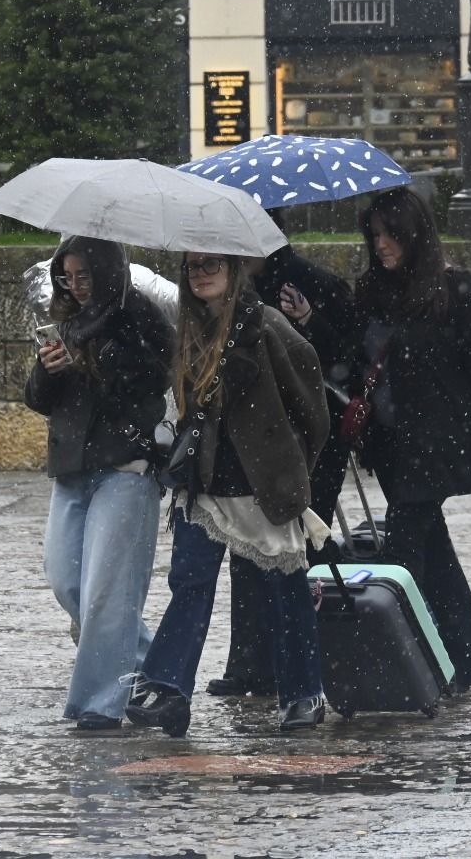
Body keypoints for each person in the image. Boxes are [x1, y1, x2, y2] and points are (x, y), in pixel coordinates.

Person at [125, 252, 332, 737]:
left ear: (233, 270)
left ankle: (303, 694)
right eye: (193, 266)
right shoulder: (187, 330)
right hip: (204, 484)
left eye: (211, 265)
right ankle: (169, 691)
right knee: (190, 584)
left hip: (263, 486)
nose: (200, 274)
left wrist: (289, 464)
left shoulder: (270, 327)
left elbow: (312, 408)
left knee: (285, 591)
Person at [354, 187, 471, 690]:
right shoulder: (370, 291)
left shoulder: (454, 288)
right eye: (375, 235)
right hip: (393, 442)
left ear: (414, 234)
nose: (382, 245)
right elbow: (353, 354)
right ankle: (470, 661)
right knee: (432, 550)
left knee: (406, 551)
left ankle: (416, 662)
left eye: (391, 234)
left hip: (441, 441)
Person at [205, 215, 358, 699]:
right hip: (250, 446)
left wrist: (309, 322)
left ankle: (292, 669)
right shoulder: (225, 291)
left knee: (292, 551)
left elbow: (345, 359)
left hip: (303, 446)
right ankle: (252, 663)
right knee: (247, 550)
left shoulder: (312, 283)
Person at [24, 236, 173, 731]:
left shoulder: (140, 316)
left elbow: (155, 379)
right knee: (68, 581)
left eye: (84, 275)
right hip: (71, 469)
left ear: (106, 270)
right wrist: (49, 371)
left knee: (107, 591)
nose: (75, 286)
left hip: (125, 467)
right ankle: (153, 670)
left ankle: (97, 705)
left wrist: (96, 361)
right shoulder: (65, 322)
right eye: (66, 276)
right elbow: (39, 399)